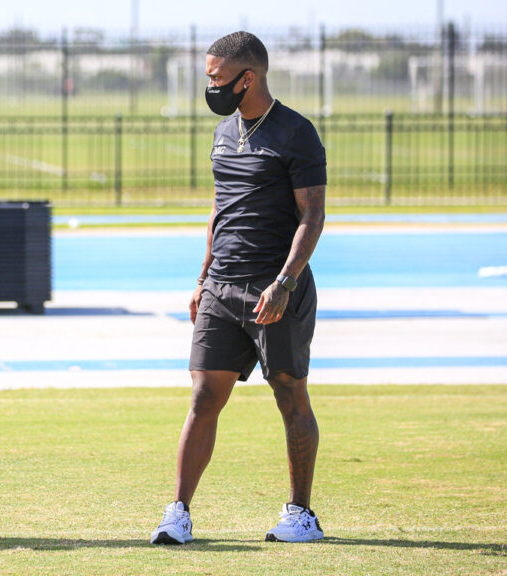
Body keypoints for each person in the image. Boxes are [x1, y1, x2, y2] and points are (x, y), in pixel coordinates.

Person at [150, 31, 327, 545]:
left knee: (290, 395)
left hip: (275, 290)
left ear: (247, 77)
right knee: (203, 396)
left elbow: (312, 216)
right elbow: (219, 209)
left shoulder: (297, 133)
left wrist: (285, 283)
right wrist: (202, 278)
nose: (210, 86)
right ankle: (178, 514)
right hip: (221, 288)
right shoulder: (225, 132)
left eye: (216, 78)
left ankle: (300, 514)